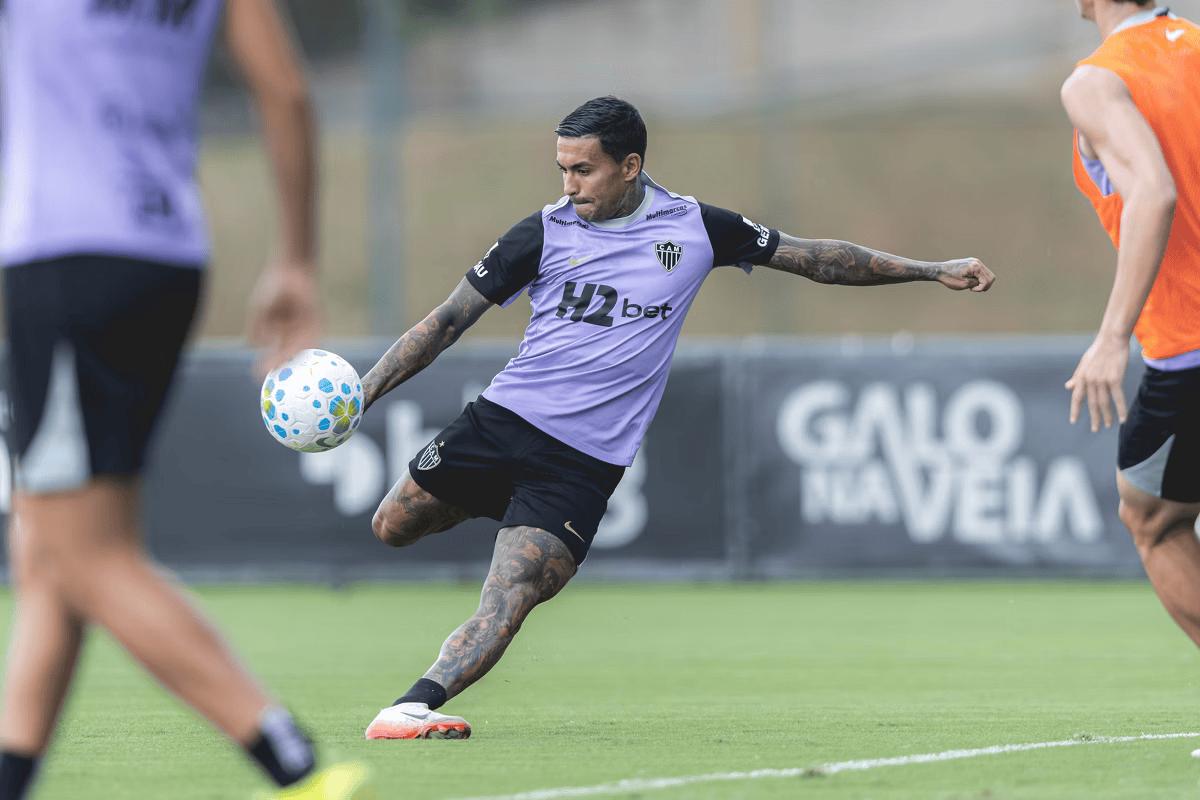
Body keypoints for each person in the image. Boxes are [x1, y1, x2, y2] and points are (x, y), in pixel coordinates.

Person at [358, 95, 996, 740]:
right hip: (501, 421)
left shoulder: (694, 228)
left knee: (513, 590)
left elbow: (818, 258)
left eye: (583, 170)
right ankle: (501, 503)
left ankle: (412, 707)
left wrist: (929, 270)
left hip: (579, 463)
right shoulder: (540, 233)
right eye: (562, 169)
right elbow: (443, 322)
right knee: (393, 526)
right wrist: (363, 393)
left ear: (630, 165)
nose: (568, 185)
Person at [0, 2, 369, 798]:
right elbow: (287, 91)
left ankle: (290, 760)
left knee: (87, 553)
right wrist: (297, 261)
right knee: (50, 546)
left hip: (62, 256)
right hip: (166, 258)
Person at [1063, 0, 1200, 699]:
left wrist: (1112, 336)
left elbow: (1154, 192)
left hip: (1191, 341)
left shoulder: (1096, 81)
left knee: (1151, 514)